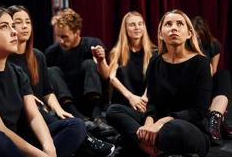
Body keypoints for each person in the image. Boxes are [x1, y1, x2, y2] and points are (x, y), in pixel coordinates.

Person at [0, 6, 86, 157]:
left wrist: (49, 149)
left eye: (12, 26)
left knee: (75, 126)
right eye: (4, 27)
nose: (14, 31)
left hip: (13, 146)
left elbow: (34, 116)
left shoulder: (17, 72)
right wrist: (41, 155)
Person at [7, 5, 115, 157]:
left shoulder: (37, 56)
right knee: (73, 125)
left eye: (28, 22)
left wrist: (59, 110)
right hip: (26, 117)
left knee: (73, 125)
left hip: (62, 106)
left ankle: (89, 129)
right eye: (18, 22)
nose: (24, 26)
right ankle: (88, 140)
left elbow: (47, 91)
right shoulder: (6, 59)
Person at [106, 9, 212, 157]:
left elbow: (199, 110)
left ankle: (136, 141)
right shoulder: (155, 61)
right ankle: (147, 147)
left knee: (172, 130)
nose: (174, 27)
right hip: (156, 123)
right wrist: (149, 123)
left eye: (179, 24)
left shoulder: (201, 63)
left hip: (189, 127)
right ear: (161, 34)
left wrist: (161, 123)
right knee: (114, 110)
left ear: (189, 33)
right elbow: (152, 102)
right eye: (168, 24)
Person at [45, 8, 115, 137]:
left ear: (77, 32)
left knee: (89, 63)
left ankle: (97, 118)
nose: (61, 41)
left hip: (91, 99)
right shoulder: (51, 53)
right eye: (58, 36)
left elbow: (106, 77)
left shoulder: (92, 44)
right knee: (51, 71)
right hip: (69, 104)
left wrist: (100, 60)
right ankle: (80, 118)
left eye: (65, 37)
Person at [92, 11, 156, 112]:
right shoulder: (117, 52)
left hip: (145, 105)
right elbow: (111, 77)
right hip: (123, 105)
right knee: (112, 111)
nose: (137, 27)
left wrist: (143, 99)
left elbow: (154, 79)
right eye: (132, 25)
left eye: (140, 24)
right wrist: (131, 97)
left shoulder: (154, 53)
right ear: (125, 28)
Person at [192, 16, 232, 145]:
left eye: (199, 37)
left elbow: (213, 71)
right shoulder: (186, 46)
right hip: (192, 86)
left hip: (208, 82)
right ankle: (220, 122)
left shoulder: (213, 45)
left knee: (223, 74)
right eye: (195, 36)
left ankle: (215, 119)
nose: (197, 40)